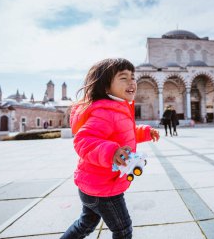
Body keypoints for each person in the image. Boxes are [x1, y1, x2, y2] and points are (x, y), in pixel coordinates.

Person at [61, 58, 160, 239]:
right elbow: (84, 140)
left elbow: (123, 134)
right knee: (123, 230)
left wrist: (145, 132)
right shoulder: (105, 112)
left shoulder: (117, 108)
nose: (131, 82)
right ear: (106, 87)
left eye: (133, 77)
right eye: (123, 78)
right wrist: (111, 151)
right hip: (104, 188)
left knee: (86, 223)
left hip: (93, 184)